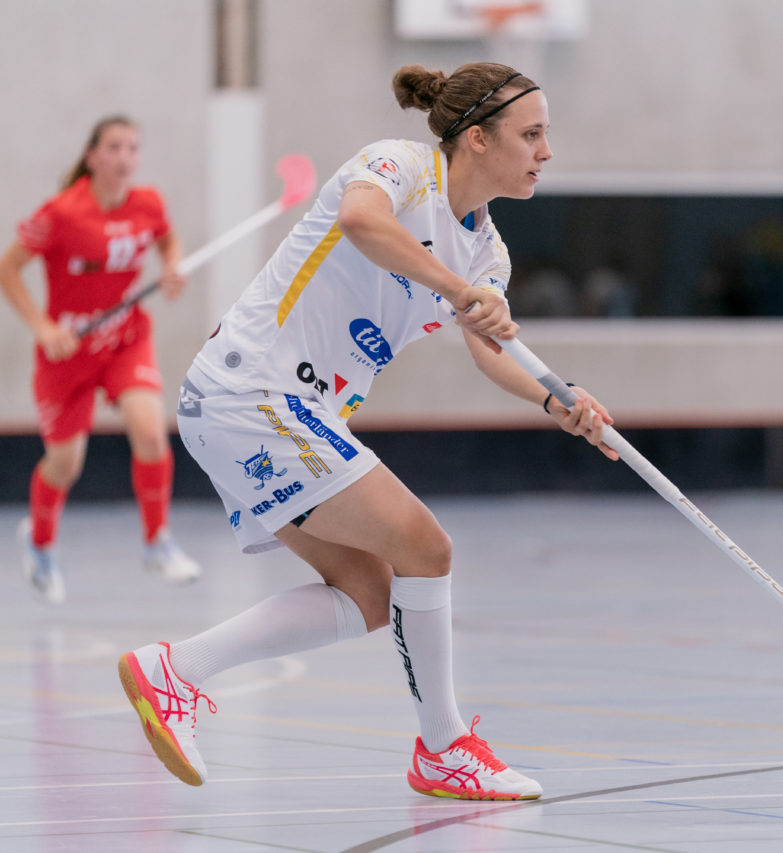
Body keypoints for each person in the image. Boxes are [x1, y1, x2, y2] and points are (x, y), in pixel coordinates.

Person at [117, 63, 617, 801]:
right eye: (532, 134)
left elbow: (491, 348)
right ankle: (445, 748)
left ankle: (175, 669)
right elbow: (360, 220)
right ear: (476, 139)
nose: (546, 151)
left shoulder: (487, 251)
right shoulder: (401, 166)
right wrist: (456, 291)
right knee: (426, 546)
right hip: (253, 387)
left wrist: (558, 398)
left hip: (280, 410)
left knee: (367, 590)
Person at [0, 115, 202, 604]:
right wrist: (43, 328)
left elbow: (167, 239)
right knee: (64, 464)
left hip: (125, 338)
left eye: (133, 147)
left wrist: (172, 267)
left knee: (150, 431)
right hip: (66, 351)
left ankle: (157, 541)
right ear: (92, 157)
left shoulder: (148, 203)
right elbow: (6, 270)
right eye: (114, 147)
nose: (125, 157)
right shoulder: (61, 213)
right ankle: (40, 544)